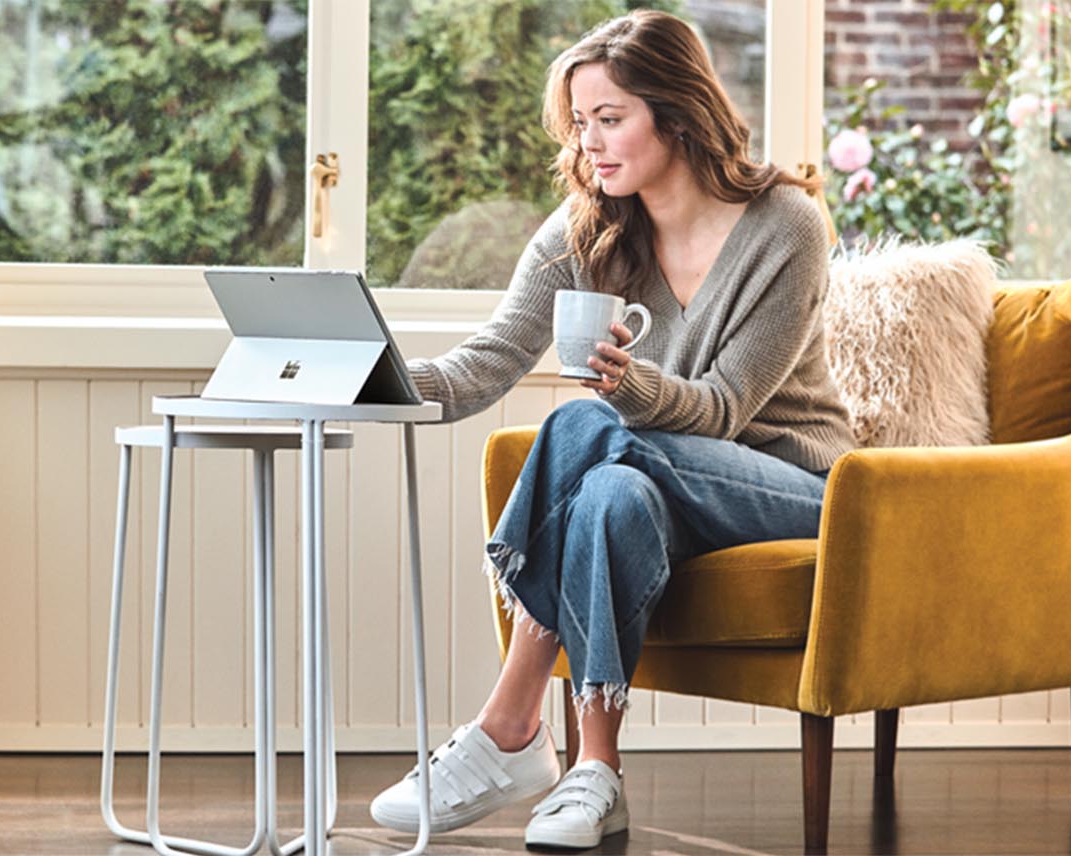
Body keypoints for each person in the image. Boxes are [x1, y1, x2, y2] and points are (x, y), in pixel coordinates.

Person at [367, 9, 856, 851]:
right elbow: (488, 359)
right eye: (580, 122)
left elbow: (724, 409)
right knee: (610, 491)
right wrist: (376, 383)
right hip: (658, 479)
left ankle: (509, 720)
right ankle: (596, 772)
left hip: (790, 484)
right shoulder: (587, 226)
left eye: (610, 118)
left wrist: (627, 386)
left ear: (677, 111)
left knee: (598, 426)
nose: (589, 143)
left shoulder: (787, 226)